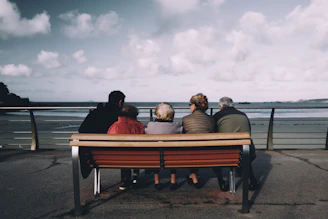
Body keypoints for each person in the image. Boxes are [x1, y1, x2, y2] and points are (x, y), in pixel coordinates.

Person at [182, 93, 229, 191]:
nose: (190, 106)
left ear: (194, 105)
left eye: (190, 104)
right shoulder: (211, 119)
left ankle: (194, 177)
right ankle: (220, 180)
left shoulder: (185, 119)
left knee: (190, 148)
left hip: (190, 156)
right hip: (209, 155)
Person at [213, 97, 259, 190]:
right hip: (247, 152)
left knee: (215, 153)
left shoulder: (217, 116)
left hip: (226, 153)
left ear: (221, 106)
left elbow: (213, 133)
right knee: (243, 153)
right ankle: (253, 181)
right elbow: (249, 132)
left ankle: (221, 182)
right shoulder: (243, 115)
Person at [78, 90, 125, 179]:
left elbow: (82, 129)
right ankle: (125, 181)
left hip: (94, 154)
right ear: (120, 102)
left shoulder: (95, 113)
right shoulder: (119, 116)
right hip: (116, 154)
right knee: (127, 149)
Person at [107, 104, 146, 191]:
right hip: (137, 156)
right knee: (136, 152)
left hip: (116, 157)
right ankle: (135, 177)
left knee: (123, 153)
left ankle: (125, 180)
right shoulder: (139, 126)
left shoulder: (114, 126)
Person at [145, 102, 183, 191]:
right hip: (172, 156)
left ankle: (157, 182)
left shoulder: (151, 125)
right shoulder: (176, 125)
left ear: (158, 115)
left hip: (154, 156)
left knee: (156, 152)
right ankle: (173, 182)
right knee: (173, 152)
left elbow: (146, 132)